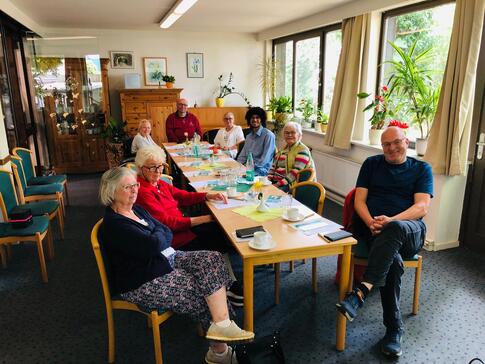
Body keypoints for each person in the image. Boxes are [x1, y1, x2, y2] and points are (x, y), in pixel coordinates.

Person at [99, 167, 254, 364]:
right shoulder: (114, 224)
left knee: (212, 259)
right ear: (111, 191)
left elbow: (164, 231)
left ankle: (222, 324)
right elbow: (154, 243)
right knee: (200, 289)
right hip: (143, 280)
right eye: (127, 187)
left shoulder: (136, 209)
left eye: (135, 185)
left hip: (165, 258)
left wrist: (158, 237)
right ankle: (220, 353)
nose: (134, 190)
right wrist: (158, 237)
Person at [336, 126, 433, 358]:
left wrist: (391, 220)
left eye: (396, 142)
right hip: (374, 229)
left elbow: (422, 207)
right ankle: (394, 329)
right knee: (394, 264)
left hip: (409, 230)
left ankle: (362, 290)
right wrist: (370, 222)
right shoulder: (371, 164)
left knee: (396, 228)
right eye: (386, 144)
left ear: (406, 142)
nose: (392, 148)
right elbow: (360, 201)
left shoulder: (421, 168)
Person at [134, 145, 244, 306]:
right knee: (213, 235)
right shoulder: (143, 191)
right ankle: (225, 285)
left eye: (159, 166)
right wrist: (204, 218)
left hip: (182, 226)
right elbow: (167, 223)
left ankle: (228, 280)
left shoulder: (157, 183)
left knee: (215, 231)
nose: (157, 171)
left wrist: (207, 195)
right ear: (140, 168)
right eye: (152, 167)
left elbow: (181, 195)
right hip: (172, 239)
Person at [267, 122, 315, 192]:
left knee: (268, 195)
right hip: (277, 181)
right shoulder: (284, 148)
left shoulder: (302, 150)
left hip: (291, 184)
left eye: (293, 133)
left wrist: (277, 184)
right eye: (286, 133)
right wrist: (268, 179)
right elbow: (274, 166)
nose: (289, 135)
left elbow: (294, 173)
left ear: (299, 135)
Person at [236, 107, 275, 176]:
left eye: (257, 117)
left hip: (261, 171)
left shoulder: (268, 135)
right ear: (249, 119)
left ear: (261, 119)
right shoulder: (248, 137)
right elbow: (243, 156)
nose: (254, 120)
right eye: (252, 118)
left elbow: (264, 160)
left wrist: (249, 169)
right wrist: (237, 166)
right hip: (248, 169)